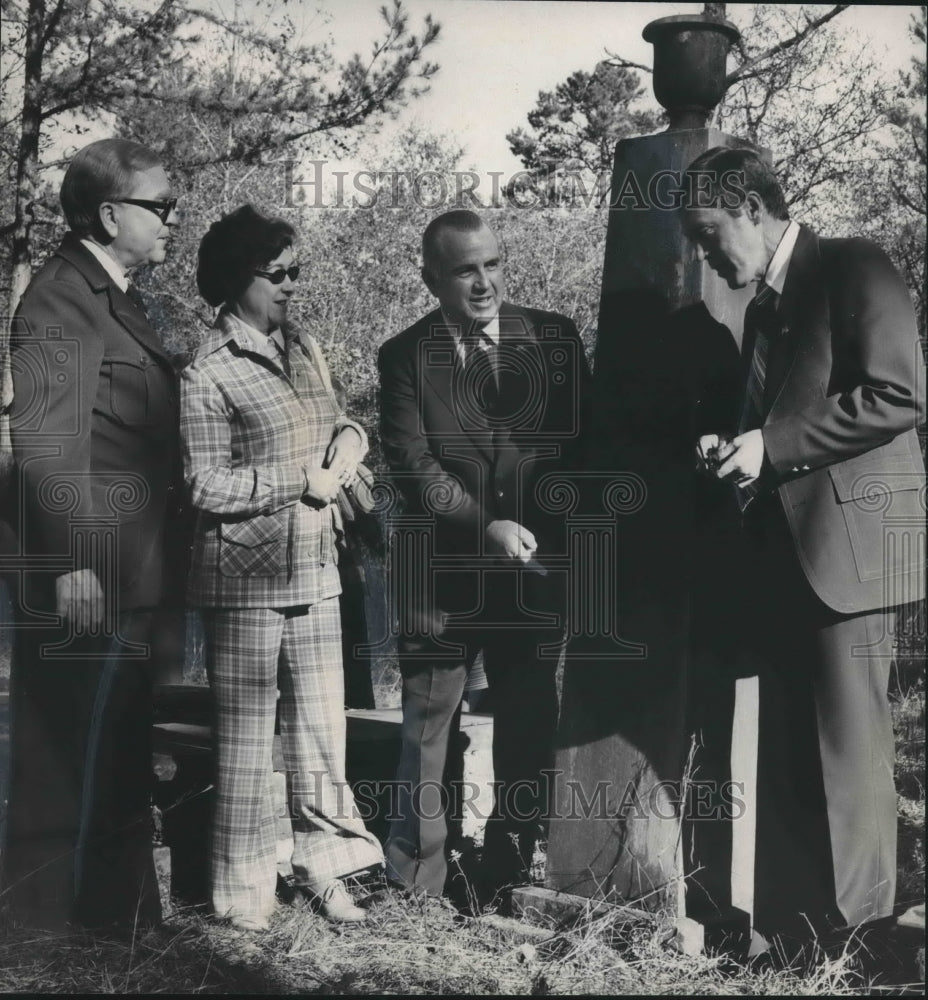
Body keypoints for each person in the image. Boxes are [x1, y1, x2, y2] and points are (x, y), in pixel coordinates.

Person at [682, 145, 925, 948]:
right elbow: (780, 420)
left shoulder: (855, 266)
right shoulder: (760, 309)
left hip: (851, 558)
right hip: (783, 562)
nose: (708, 256)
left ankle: (862, 952)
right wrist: (738, 442)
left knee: (849, 769)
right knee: (788, 763)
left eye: (712, 233)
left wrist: (773, 446)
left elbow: (898, 393)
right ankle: (795, 948)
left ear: (752, 206)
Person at [378, 209, 591, 901]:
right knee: (428, 729)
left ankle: (509, 862)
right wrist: (486, 526)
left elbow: (582, 451)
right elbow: (413, 466)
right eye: (465, 270)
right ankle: (418, 882)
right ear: (431, 278)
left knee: (528, 719)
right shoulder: (403, 356)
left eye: (493, 264)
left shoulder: (554, 338)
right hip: (440, 576)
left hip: (531, 575)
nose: (483, 282)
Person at [181, 204, 384, 931]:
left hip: (317, 572)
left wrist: (352, 443)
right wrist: (297, 479)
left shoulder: (305, 346)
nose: (293, 286)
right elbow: (204, 485)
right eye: (279, 274)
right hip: (242, 583)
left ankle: (323, 870)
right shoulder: (208, 373)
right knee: (243, 747)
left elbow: (340, 421)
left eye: (299, 272)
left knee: (323, 737)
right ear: (238, 280)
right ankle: (241, 898)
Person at [2, 138, 181, 929]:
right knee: (60, 751)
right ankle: (39, 930)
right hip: (88, 572)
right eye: (160, 209)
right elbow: (46, 444)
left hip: (129, 568)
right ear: (110, 215)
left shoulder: (113, 296)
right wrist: (70, 567)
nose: (171, 223)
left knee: (115, 748)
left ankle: (118, 921)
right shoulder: (59, 298)